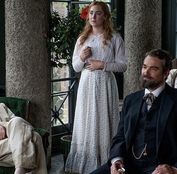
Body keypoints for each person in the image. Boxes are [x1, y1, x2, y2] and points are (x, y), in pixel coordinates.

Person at [91, 48, 177, 174]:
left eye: (153, 69)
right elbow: (120, 136)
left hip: (160, 169)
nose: (146, 72)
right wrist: (116, 160)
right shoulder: (131, 100)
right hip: (127, 165)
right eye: (144, 66)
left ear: (166, 73)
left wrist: (174, 169)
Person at [65, 1, 127, 174]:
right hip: (87, 84)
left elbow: (123, 66)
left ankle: (109, 162)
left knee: (105, 120)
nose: (93, 16)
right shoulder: (82, 39)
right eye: (91, 13)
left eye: (98, 13)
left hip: (106, 83)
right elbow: (76, 67)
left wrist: (103, 64)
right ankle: (87, 162)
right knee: (87, 121)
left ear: (105, 16)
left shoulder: (115, 38)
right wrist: (82, 57)